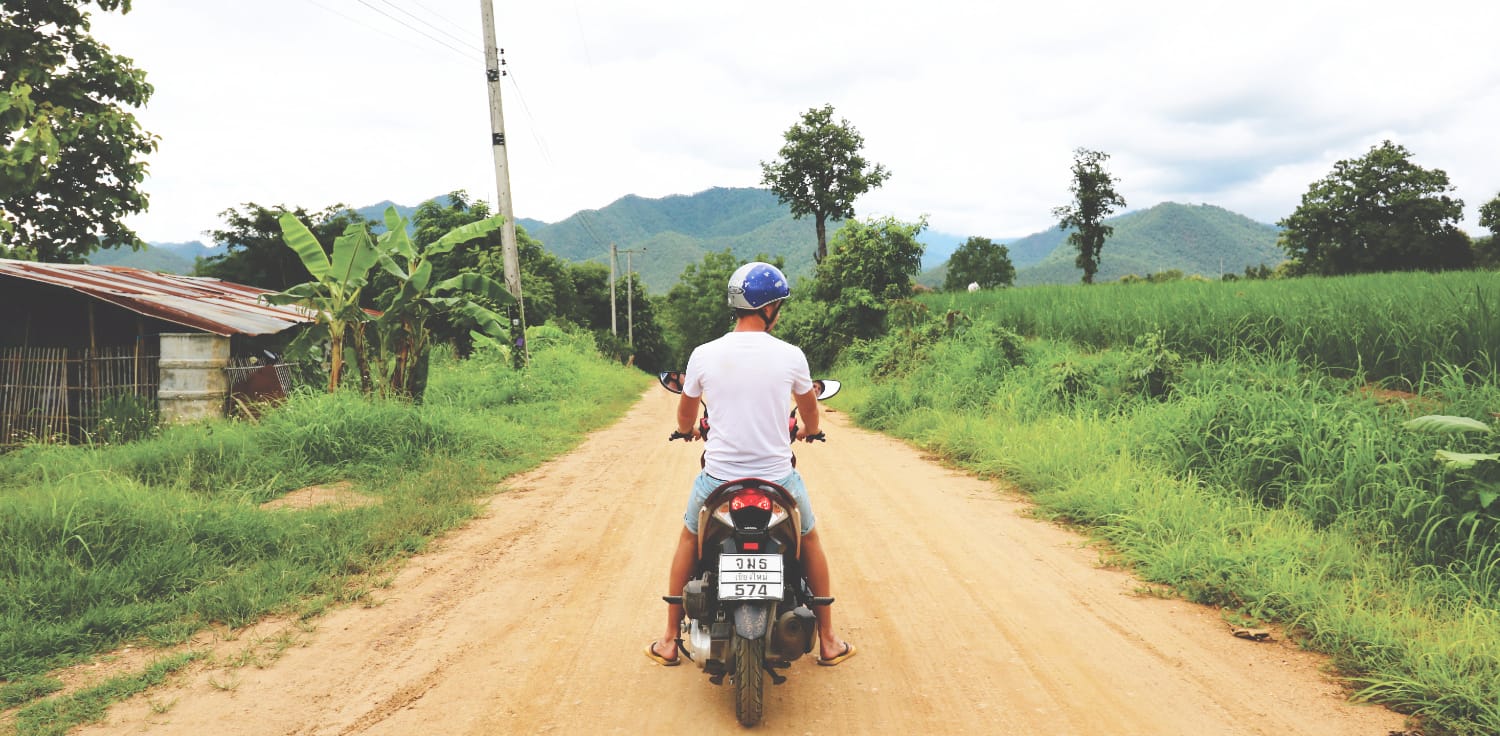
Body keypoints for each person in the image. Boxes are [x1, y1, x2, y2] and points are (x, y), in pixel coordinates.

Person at [646, 262, 856, 668]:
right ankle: (828, 640)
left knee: (689, 539)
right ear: (770, 306)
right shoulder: (791, 356)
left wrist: (688, 430)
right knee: (808, 539)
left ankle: (670, 640)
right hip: (778, 479)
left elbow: (685, 417)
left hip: (718, 481)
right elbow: (811, 417)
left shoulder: (704, 354)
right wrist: (807, 431)